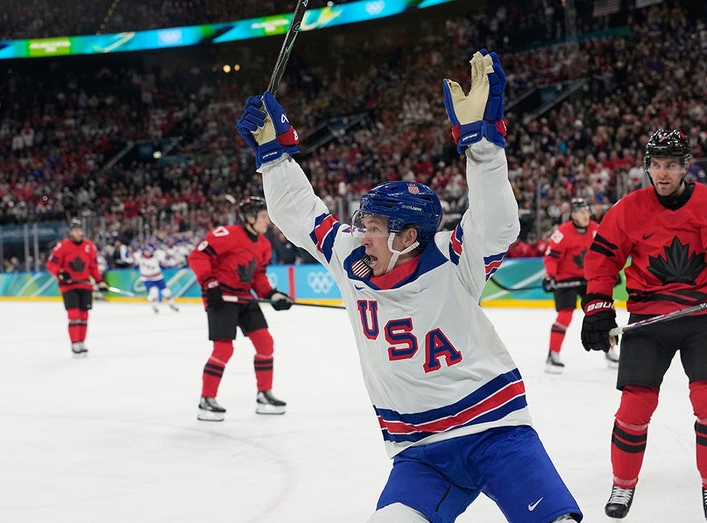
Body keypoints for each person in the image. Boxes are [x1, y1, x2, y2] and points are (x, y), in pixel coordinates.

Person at [237, 49, 582, 523]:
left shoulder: (452, 259)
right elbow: (298, 213)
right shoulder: (352, 257)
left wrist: (482, 146)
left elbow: (498, 224)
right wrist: (273, 156)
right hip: (418, 450)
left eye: (374, 226)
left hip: (496, 432)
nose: (361, 232)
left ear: (406, 237)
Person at [579, 129, 707, 522]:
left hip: (704, 318)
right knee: (634, 407)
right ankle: (623, 483)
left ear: (685, 166)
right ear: (647, 168)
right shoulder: (628, 209)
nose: (663, 173)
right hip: (649, 320)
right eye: (656, 165)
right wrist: (598, 306)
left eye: (671, 164)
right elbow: (603, 260)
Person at [187, 196, 294, 422]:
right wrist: (210, 283)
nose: (267, 221)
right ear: (249, 217)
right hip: (221, 298)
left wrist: (273, 295)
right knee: (223, 350)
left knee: (265, 342)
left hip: (244, 298)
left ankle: (264, 395)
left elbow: (258, 278)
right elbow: (197, 256)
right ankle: (206, 399)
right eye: (263, 216)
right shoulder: (227, 235)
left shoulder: (264, 245)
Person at [542, 197, 599, 373]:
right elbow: (551, 257)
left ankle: (610, 350)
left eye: (587, 211)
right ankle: (553, 354)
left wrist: (608, 272)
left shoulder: (595, 230)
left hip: (587, 278)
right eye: (581, 212)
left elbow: (603, 254)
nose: (586, 215)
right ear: (573, 215)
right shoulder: (562, 232)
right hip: (565, 279)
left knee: (599, 311)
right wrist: (550, 276)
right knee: (565, 316)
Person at [46, 219, 109, 358]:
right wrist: (61, 273)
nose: (77, 232)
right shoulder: (62, 246)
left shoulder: (89, 246)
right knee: (74, 315)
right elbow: (51, 265)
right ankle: (75, 343)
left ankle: (82, 342)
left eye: (79, 229)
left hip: (85, 284)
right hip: (68, 285)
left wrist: (100, 281)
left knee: (84, 315)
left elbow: (93, 267)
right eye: (74, 229)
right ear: (70, 232)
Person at [132, 243, 180, 313]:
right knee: (154, 292)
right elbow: (132, 258)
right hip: (147, 279)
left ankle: (171, 304)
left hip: (158, 278)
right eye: (146, 251)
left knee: (166, 292)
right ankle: (154, 306)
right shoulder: (140, 258)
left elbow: (166, 262)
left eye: (149, 251)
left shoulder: (156, 257)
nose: (147, 252)